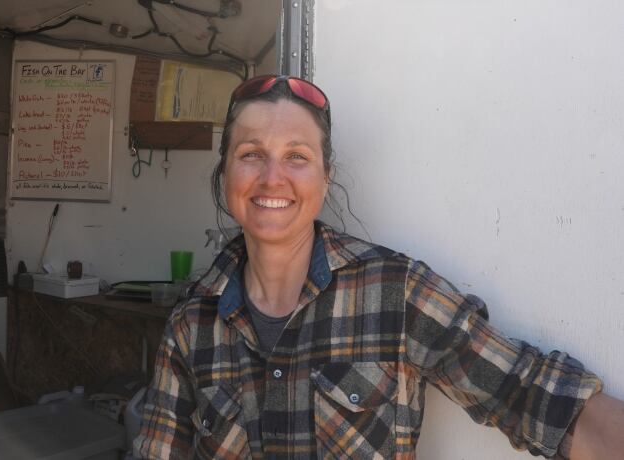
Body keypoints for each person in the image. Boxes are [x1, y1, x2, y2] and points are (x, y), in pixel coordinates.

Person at [133, 75, 624, 459]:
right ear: (226, 177)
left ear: (325, 179)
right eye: (251, 154)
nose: (272, 176)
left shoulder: (395, 292)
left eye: (296, 156)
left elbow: (526, 393)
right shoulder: (190, 326)